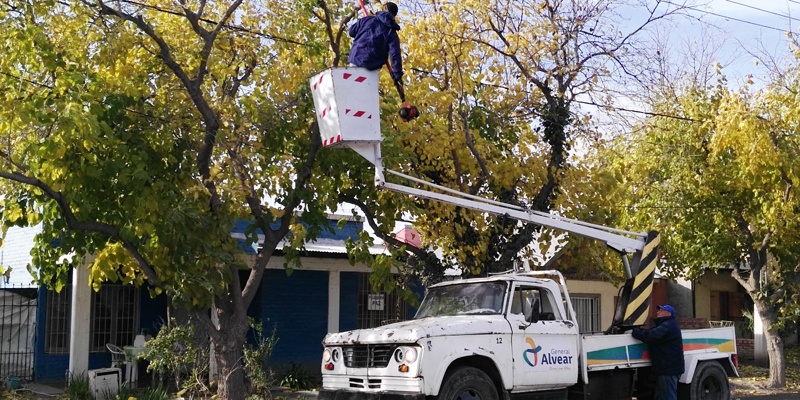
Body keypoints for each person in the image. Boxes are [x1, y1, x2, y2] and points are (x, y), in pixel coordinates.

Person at [632, 304, 685, 400]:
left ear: (668, 314)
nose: (658, 312)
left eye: (661, 310)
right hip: (667, 368)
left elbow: (651, 336)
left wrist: (635, 332)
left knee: (667, 396)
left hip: (669, 369)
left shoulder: (668, 325)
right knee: (660, 396)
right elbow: (651, 332)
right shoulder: (666, 324)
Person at [348, 2, 404, 83]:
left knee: (352, 88)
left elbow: (351, 32)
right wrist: (397, 75)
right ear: (394, 15)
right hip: (372, 67)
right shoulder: (391, 33)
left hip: (356, 59)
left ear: (383, 9)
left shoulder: (366, 20)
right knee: (366, 92)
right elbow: (395, 55)